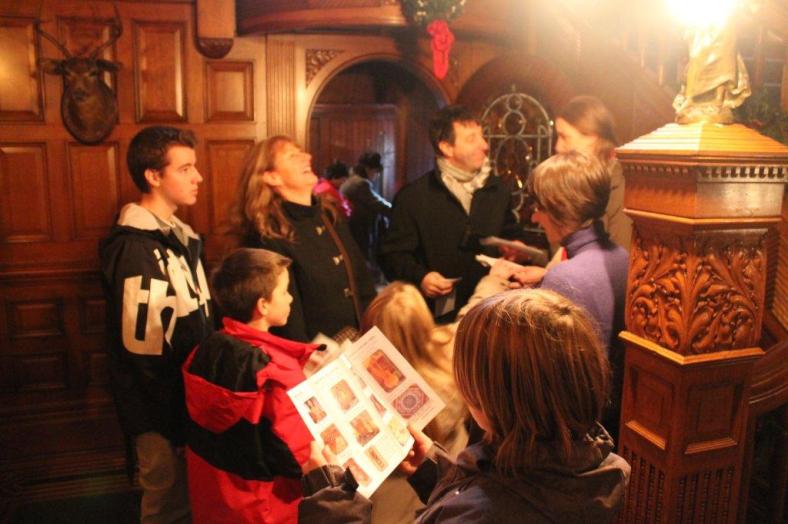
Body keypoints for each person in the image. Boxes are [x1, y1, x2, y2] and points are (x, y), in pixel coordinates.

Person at [299, 289, 631, 523]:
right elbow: (508, 490)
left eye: (469, 375)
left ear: (494, 399)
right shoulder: (596, 463)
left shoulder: (482, 514)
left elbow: (487, 506)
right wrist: (435, 471)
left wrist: (333, 506)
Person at [99, 126, 213, 523]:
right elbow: (144, 353)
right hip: (159, 410)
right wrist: (174, 423)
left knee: (190, 496)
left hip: (185, 401)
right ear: (153, 176)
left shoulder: (181, 237)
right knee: (166, 501)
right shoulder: (136, 248)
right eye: (185, 169)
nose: (198, 177)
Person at [183, 248, 321, 523]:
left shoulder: (205, 350)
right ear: (263, 305)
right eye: (284, 291)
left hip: (214, 499)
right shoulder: (278, 372)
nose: (291, 297)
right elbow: (301, 458)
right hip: (266, 505)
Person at [379, 105, 527, 323]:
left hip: (491, 310)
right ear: (447, 147)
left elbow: (510, 233)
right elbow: (392, 255)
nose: (485, 145)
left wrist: (515, 248)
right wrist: (422, 277)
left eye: (482, 136)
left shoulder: (497, 190)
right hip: (435, 318)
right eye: (471, 139)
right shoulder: (414, 197)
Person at [228, 136, 376, 342]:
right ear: (272, 177)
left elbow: (361, 281)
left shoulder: (329, 216)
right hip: (315, 355)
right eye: (292, 156)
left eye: (302, 153)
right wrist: (307, 356)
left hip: (358, 344)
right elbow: (287, 320)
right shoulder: (267, 235)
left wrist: (375, 330)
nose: (307, 157)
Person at [525, 151, 629, 440]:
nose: (534, 216)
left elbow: (550, 382)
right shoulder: (622, 256)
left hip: (576, 432)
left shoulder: (565, 277)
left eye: (539, 206)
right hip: (613, 421)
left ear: (560, 208)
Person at [554, 95, 632, 250]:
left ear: (592, 136)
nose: (558, 147)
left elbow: (619, 256)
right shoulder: (585, 181)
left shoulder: (621, 181)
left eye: (564, 137)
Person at [340, 151, 392, 263]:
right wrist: (398, 211)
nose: (377, 175)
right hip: (359, 229)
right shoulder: (361, 183)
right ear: (368, 169)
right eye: (376, 171)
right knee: (363, 260)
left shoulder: (352, 179)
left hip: (353, 227)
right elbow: (378, 204)